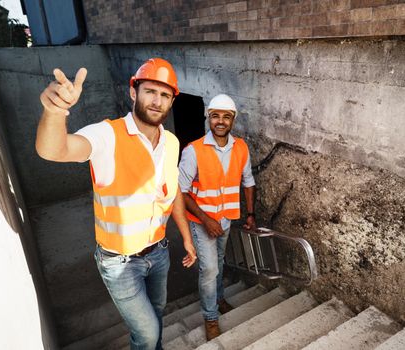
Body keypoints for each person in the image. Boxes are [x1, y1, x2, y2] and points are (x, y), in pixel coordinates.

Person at [35, 58, 197, 350]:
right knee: (146, 333)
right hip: (120, 262)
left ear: (172, 101)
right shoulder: (107, 135)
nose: (157, 101)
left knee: (156, 315)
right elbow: (54, 150)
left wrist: (186, 238)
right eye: (151, 91)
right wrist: (55, 111)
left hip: (159, 252)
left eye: (165, 95)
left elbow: (171, 195)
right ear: (134, 92)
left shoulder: (171, 142)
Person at [178, 94, 256, 341]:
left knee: (220, 260)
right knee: (209, 267)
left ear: (233, 120)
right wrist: (206, 219)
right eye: (215, 116)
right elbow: (181, 191)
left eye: (226, 116)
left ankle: (219, 297)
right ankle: (210, 317)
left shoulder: (241, 147)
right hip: (202, 221)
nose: (220, 121)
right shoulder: (193, 150)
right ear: (208, 118)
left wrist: (250, 214)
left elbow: (248, 181)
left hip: (226, 219)